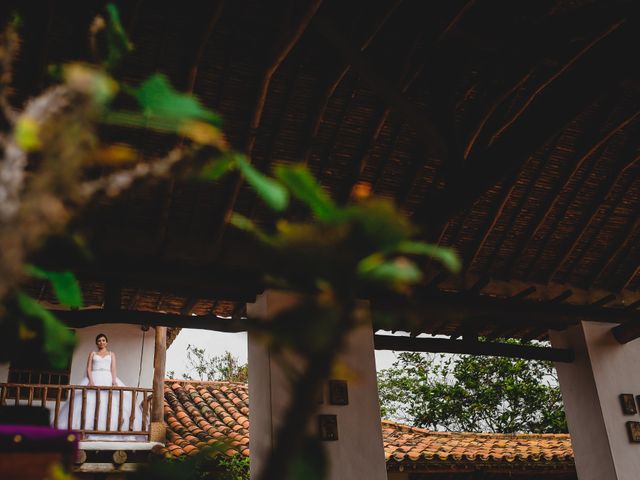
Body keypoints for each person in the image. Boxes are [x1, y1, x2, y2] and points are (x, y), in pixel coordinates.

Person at [56, 333, 145, 440]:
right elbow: (88, 368)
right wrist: (91, 380)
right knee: (87, 401)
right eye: (99, 341)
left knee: (111, 402)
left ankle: (112, 429)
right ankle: (84, 429)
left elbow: (113, 368)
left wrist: (113, 380)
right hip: (94, 376)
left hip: (108, 376)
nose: (101, 342)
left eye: (103, 340)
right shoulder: (92, 354)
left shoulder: (111, 354)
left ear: (106, 342)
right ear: (96, 343)